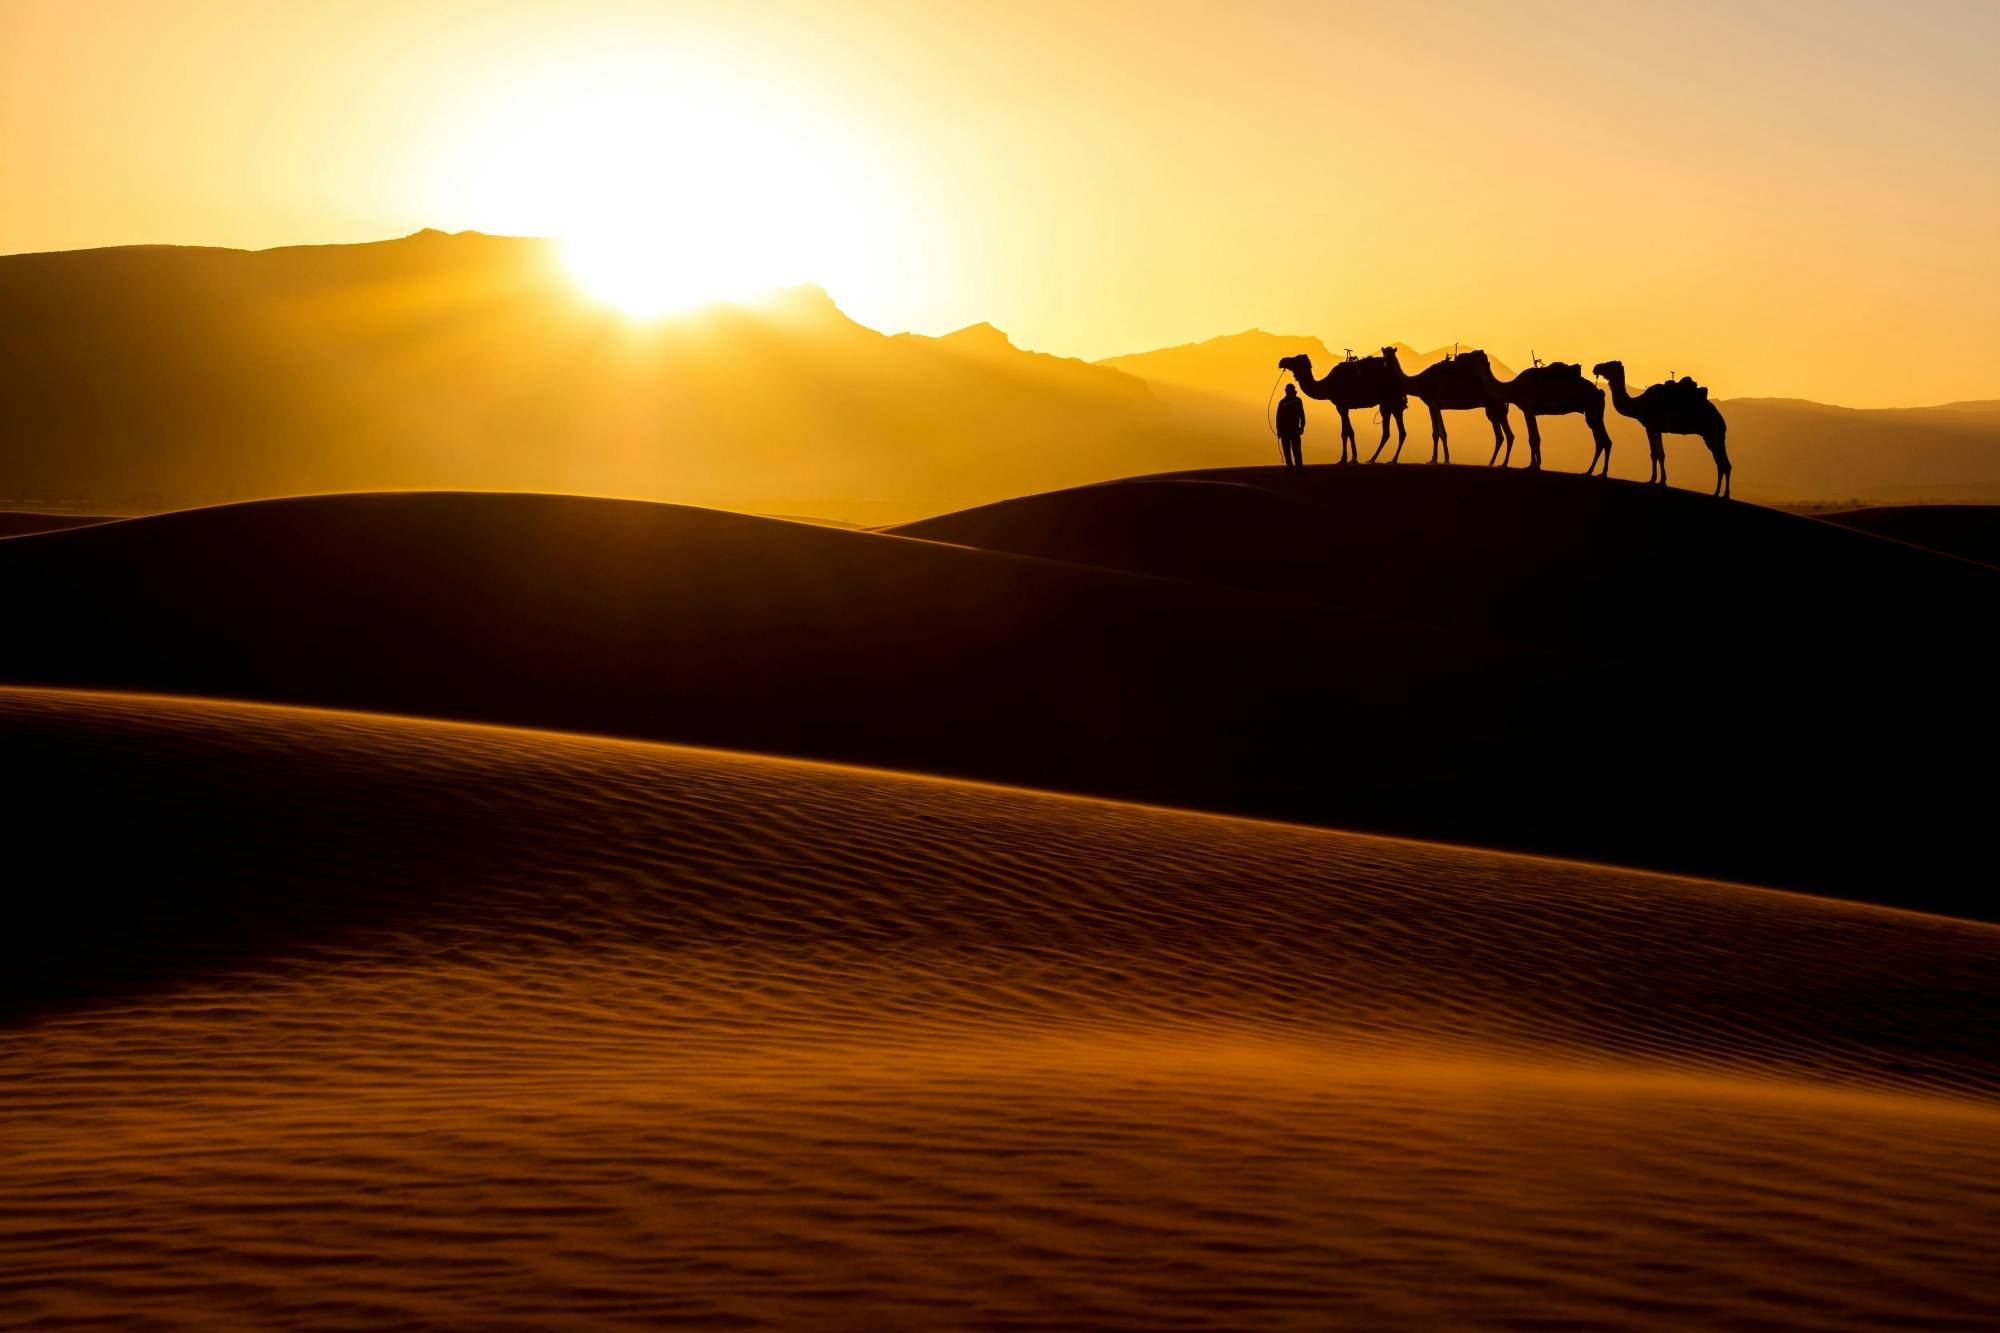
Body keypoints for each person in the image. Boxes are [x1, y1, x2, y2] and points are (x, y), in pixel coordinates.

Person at [1275, 382, 1306, 467]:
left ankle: (1294, 467)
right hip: (1289, 429)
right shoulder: (1295, 401)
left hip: (1292, 429)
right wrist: (1302, 426)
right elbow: (1302, 415)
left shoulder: (1284, 402)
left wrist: (1302, 426)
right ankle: (1295, 467)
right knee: (1291, 450)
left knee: (1292, 450)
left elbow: (1301, 415)